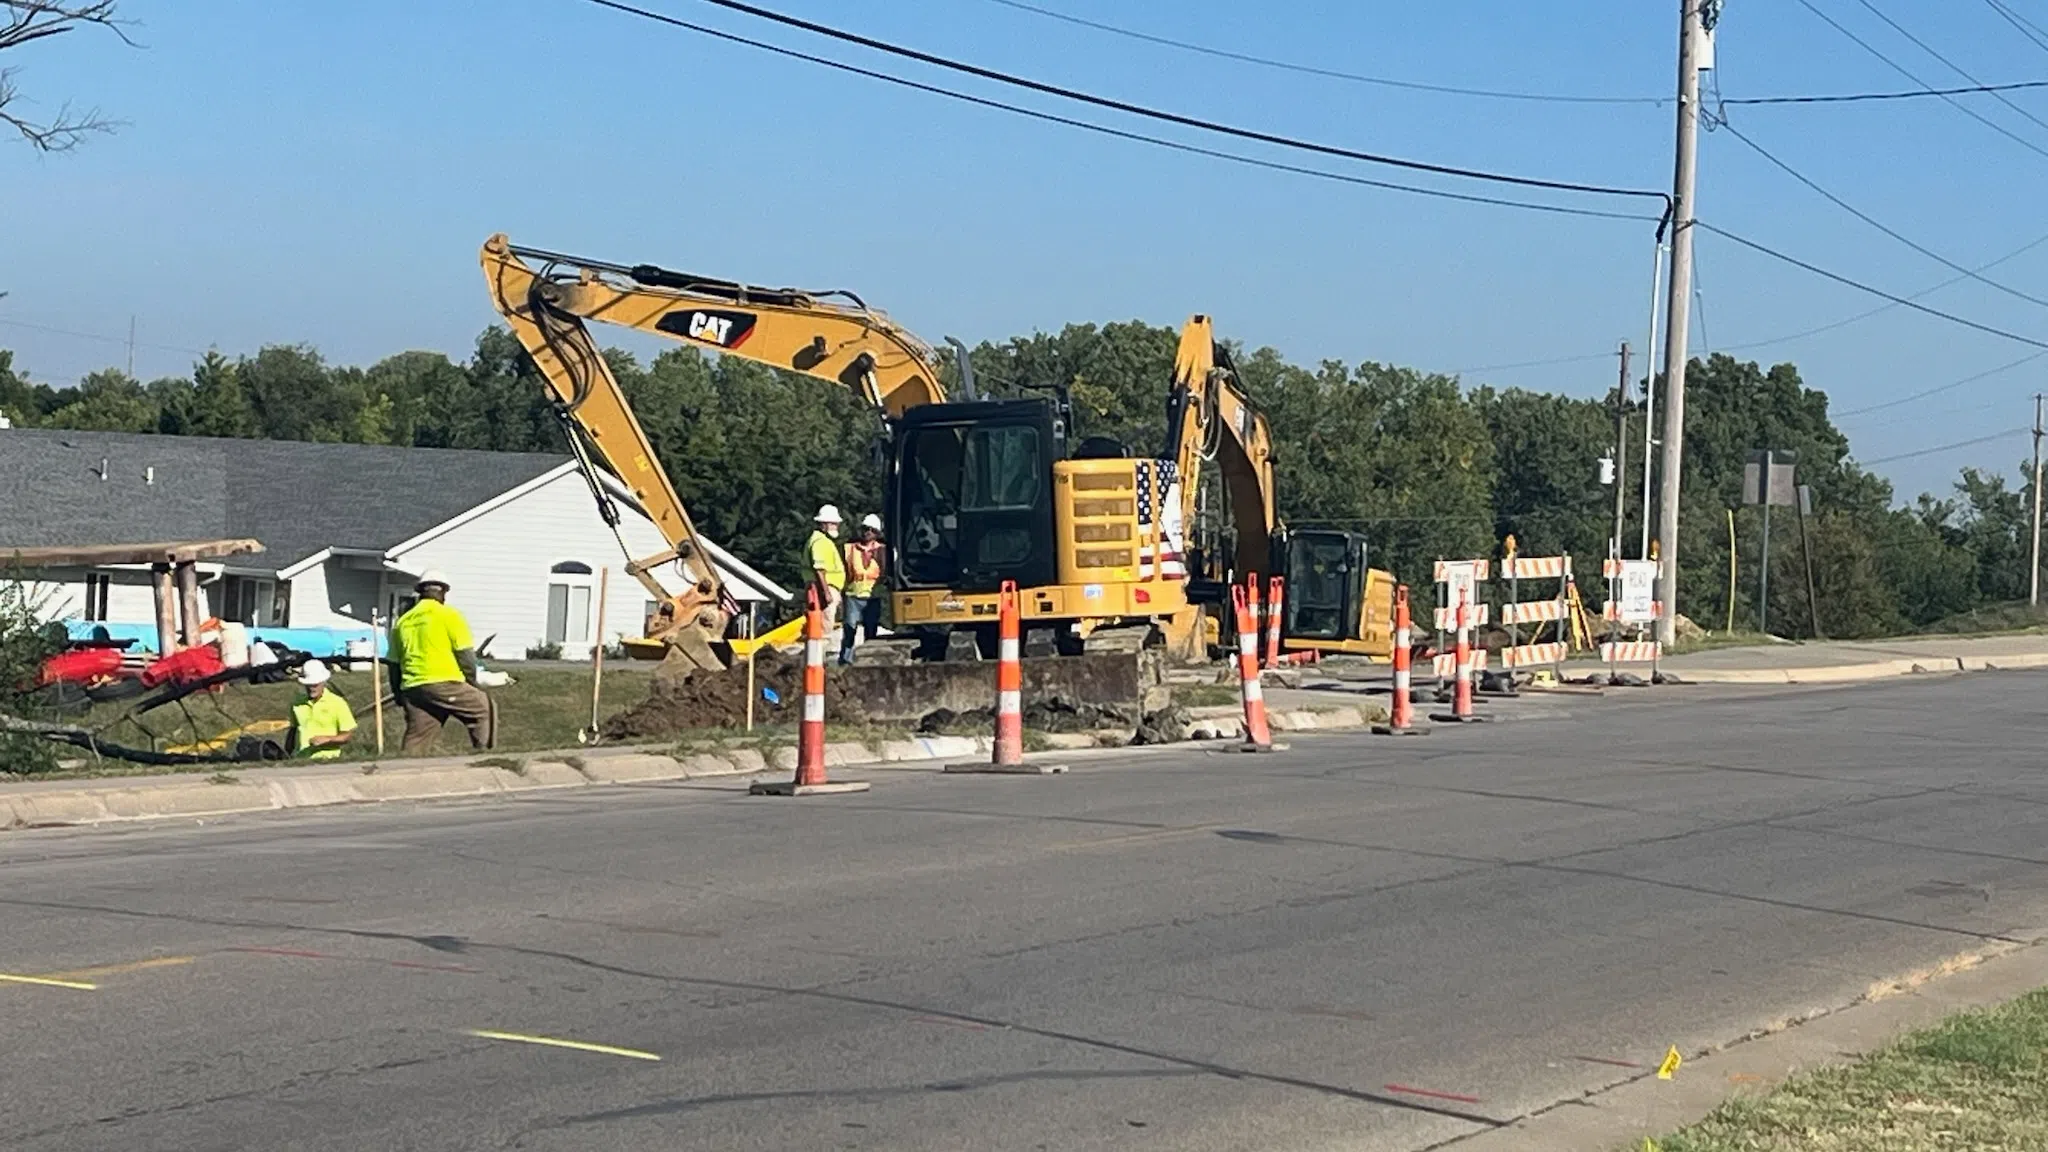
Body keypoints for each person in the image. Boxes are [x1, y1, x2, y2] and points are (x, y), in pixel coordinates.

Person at [388, 570, 495, 753]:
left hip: (413, 688)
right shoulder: (449, 616)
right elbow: (465, 656)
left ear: (420, 592)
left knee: (419, 735)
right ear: (444, 592)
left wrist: (399, 693)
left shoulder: (403, 622)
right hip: (444, 682)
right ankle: (483, 756)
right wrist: (472, 682)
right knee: (483, 708)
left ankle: (402, 771)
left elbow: (394, 665)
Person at [288, 658, 357, 761]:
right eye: (309, 685)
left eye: (315, 684)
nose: (312, 688)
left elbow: (347, 735)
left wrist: (327, 739)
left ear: (323, 682)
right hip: (301, 759)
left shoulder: (337, 703)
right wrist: (287, 754)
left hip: (328, 760)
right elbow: (293, 731)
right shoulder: (297, 704)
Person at [840, 513, 885, 664]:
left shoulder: (882, 551)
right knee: (849, 629)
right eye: (866, 529)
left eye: (871, 530)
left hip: (873, 596)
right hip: (853, 595)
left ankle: (868, 660)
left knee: (871, 630)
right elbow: (843, 571)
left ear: (877, 533)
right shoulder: (849, 549)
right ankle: (845, 660)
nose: (868, 532)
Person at [807, 504, 846, 637]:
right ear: (824, 524)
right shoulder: (820, 542)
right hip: (825, 588)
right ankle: (822, 652)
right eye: (834, 523)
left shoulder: (822, 540)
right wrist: (826, 592)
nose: (836, 526)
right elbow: (819, 570)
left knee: (828, 622)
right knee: (825, 626)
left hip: (827, 588)